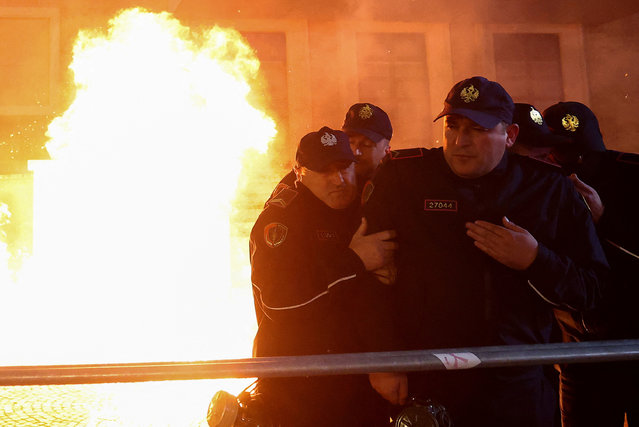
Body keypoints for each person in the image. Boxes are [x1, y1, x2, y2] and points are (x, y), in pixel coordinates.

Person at [361, 76, 609, 427]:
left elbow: (593, 289)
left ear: (509, 136)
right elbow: (373, 282)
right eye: (453, 125)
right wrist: (382, 358)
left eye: (478, 129)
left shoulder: (548, 189)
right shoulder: (404, 178)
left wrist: (536, 260)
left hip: (514, 383)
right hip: (427, 374)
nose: (460, 141)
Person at [249, 126, 398, 426]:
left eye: (344, 168)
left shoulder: (367, 208)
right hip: (296, 385)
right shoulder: (282, 221)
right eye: (324, 171)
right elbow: (282, 304)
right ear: (299, 172)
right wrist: (355, 262)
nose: (338, 180)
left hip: (358, 382)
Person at [543, 101, 639, 427]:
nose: (575, 166)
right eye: (563, 155)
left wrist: (605, 220)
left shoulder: (631, 175)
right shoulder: (541, 182)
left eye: (584, 156)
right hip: (581, 352)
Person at [267, 102, 393, 199]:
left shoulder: (396, 181)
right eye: (350, 142)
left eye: (366, 145)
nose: (355, 152)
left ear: (387, 150)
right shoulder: (310, 174)